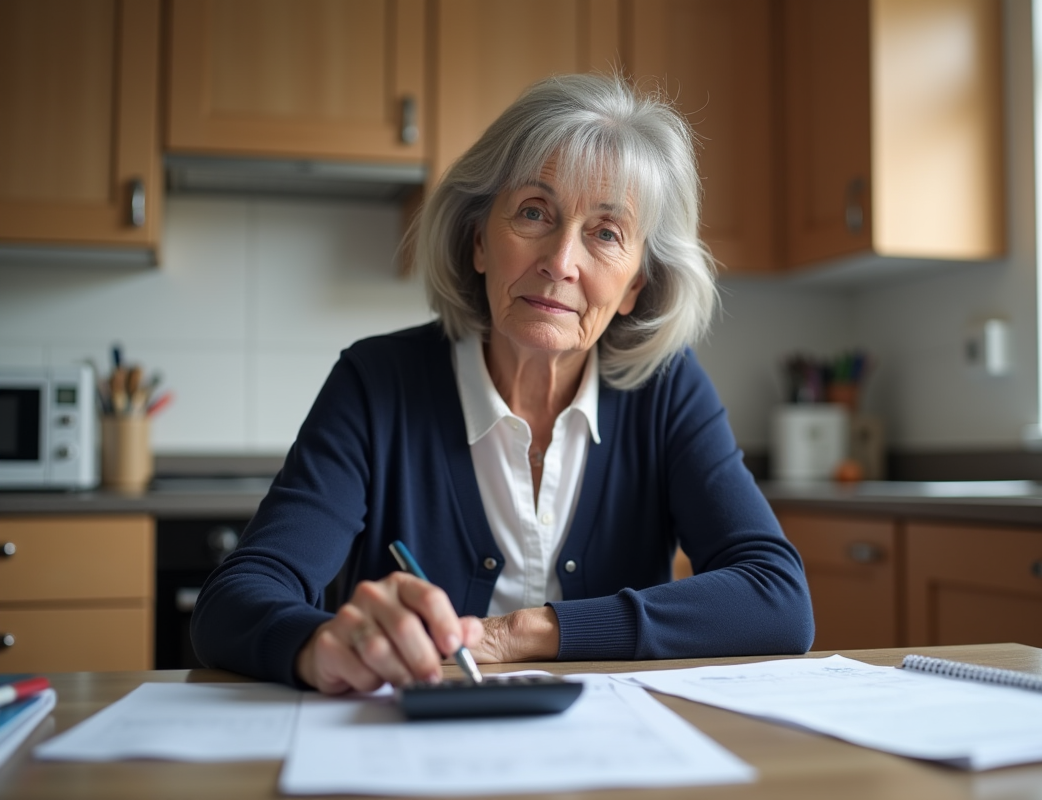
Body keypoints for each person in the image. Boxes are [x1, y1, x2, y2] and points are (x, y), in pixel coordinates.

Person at [191, 73, 815, 694]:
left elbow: (777, 599)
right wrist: (316, 643)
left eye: (605, 233)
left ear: (634, 288)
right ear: (479, 241)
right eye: (534, 212)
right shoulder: (376, 383)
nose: (561, 262)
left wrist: (527, 632)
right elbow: (234, 600)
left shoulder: (667, 389)